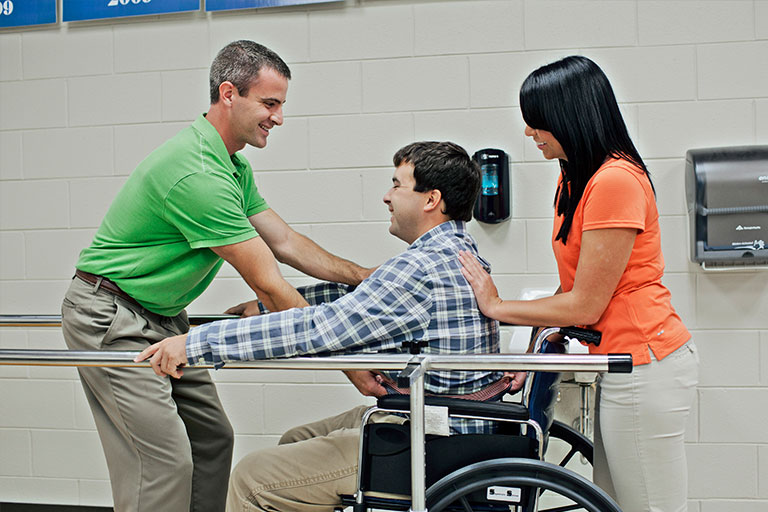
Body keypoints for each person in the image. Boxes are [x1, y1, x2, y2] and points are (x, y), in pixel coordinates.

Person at [61, 40, 372, 512]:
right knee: (163, 463)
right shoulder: (198, 175)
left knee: (212, 441)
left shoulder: (232, 165)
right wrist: (349, 363)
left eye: (282, 104)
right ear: (229, 93)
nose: (279, 117)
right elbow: (269, 283)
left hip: (163, 318)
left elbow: (285, 243)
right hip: (111, 317)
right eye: (270, 103)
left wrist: (364, 276)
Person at [137, 141, 525, 512]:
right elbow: (359, 298)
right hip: (446, 423)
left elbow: (316, 329)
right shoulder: (455, 251)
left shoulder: (420, 268)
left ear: (430, 199)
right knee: (294, 441)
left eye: (396, 184)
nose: (386, 196)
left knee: (251, 480)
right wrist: (264, 305)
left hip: (431, 438)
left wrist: (196, 344)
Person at [459, 55, 699, 512]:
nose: (529, 133)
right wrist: (529, 353)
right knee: (614, 501)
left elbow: (585, 305)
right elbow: (570, 289)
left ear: (568, 117)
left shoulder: (615, 180)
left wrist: (496, 305)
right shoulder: (575, 178)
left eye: (536, 122)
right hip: (620, 364)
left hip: (647, 364)